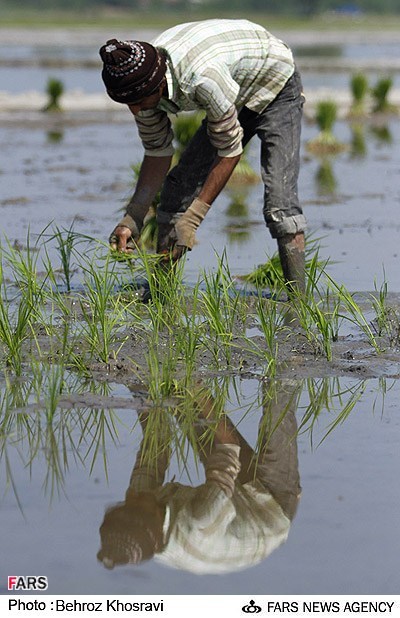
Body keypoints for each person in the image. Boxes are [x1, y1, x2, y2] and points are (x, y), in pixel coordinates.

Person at [99, 19, 307, 292]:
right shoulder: (140, 88)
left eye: (138, 102)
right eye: (128, 103)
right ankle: (161, 294)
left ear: (158, 86)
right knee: (177, 189)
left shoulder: (201, 79)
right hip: (234, 87)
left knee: (280, 203)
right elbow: (157, 150)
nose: (136, 111)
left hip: (275, 83)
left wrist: (193, 219)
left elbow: (230, 150)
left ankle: (299, 303)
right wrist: (133, 216)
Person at [97, 380, 301, 572]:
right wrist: (196, 386)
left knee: (178, 395)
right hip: (269, 515)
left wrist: (137, 386)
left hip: (229, 509)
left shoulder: (138, 508)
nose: (134, 494)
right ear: (156, 521)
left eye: (126, 501)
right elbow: (228, 447)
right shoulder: (197, 522)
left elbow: (155, 443)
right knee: (280, 391)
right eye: (136, 500)